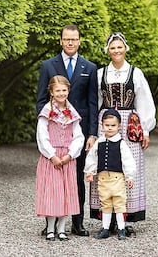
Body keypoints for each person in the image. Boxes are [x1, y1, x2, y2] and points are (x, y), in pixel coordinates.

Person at [89, 32, 156, 237]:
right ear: (108, 50)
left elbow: (144, 100)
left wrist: (145, 129)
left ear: (125, 48)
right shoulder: (101, 74)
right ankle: (106, 219)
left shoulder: (135, 73)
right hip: (106, 122)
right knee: (105, 165)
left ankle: (125, 219)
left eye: (120, 47)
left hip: (128, 123)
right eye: (113, 47)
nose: (116, 51)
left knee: (128, 166)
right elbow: (97, 101)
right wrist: (95, 130)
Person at [36, 24, 98, 236]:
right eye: (66, 39)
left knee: (76, 179)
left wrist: (92, 134)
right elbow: (40, 101)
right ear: (61, 40)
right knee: (51, 181)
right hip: (54, 136)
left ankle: (77, 221)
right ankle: (50, 223)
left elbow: (92, 103)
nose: (70, 42)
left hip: (77, 136)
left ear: (80, 40)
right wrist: (47, 123)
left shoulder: (89, 67)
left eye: (74, 39)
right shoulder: (48, 66)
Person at [35, 75, 85, 241]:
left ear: (68, 91)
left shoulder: (72, 113)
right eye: (58, 90)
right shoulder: (46, 112)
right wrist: (51, 155)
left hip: (67, 158)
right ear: (51, 92)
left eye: (64, 90)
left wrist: (71, 154)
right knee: (52, 192)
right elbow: (42, 136)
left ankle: (62, 228)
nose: (61, 93)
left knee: (66, 192)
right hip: (52, 157)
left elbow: (78, 136)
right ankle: (50, 228)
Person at [84, 109, 136, 240]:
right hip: (102, 179)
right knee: (105, 204)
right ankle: (105, 228)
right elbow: (92, 157)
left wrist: (130, 176)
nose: (110, 128)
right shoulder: (99, 142)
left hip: (117, 179)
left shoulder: (121, 143)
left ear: (119, 126)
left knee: (119, 203)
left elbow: (128, 160)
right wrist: (90, 171)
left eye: (113, 125)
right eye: (107, 125)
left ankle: (121, 228)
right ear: (102, 126)